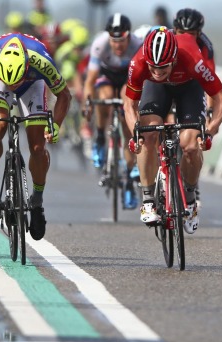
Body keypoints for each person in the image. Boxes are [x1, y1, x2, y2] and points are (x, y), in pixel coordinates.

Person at [123, 27, 222, 234]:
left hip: (189, 87)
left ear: (173, 59)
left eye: (162, 68)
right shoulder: (138, 63)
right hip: (157, 90)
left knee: (190, 146)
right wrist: (134, 133)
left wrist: (211, 129)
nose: (157, 72)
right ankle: (148, 200)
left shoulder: (191, 58)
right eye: (152, 67)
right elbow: (129, 104)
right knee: (147, 134)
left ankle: (190, 201)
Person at [0, 33, 72, 241]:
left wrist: (56, 126)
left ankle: (37, 202)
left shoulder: (40, 60)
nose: (13, 87)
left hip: (33, 84)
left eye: (16, 82)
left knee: (37, 147)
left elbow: (64, 95)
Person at [82, 13, 143, 210]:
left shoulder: (137, 45)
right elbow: (90, 81)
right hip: (106, 76)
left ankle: (128, 183)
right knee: (104, 96)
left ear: (128, 36)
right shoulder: (100, 44)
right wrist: (87, 105)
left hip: (128, 79)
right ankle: (100, 135)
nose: (118, 45)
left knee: (127, 126)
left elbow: (144, 81)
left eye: (121, 40)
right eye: (114, 40)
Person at [173, 7, 215, 207]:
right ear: (175, 30)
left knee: (191, 141)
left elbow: (212, 84)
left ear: (199, 33)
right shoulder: (166, 41)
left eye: (191, 34)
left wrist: (209, 114)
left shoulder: (205, 46)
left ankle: (191, 182)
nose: (186, 38)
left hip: (192, 85)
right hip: (166, 85)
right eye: (182, 33)